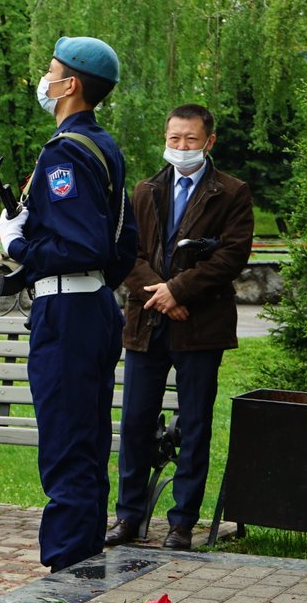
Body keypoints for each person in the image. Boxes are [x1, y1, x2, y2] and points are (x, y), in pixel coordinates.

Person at [0, 36, 139, 572]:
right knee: (84, 441)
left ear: (70, 84)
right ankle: (82, 562)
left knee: (67, 446)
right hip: (93, 306)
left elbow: (84, 244)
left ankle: (68, 573)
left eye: (51, 71)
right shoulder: (104, 146)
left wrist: (17, 246)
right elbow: (122, 246)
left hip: (68, 313)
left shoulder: (66, 151)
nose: (45, 80)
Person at [105, 104, 253, 551]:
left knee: (194, 425)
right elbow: (125, 251)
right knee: (134, 423)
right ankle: (129, 516)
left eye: (190, 140)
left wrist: (180, 292)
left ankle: (181, 523)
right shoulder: (146, 189)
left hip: (200, 327)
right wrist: (164, 296)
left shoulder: (231, 192)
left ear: (209, 142)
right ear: (165, 139)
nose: (181, 147)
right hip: (148, 322)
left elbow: (231, 256)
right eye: (174, 139)